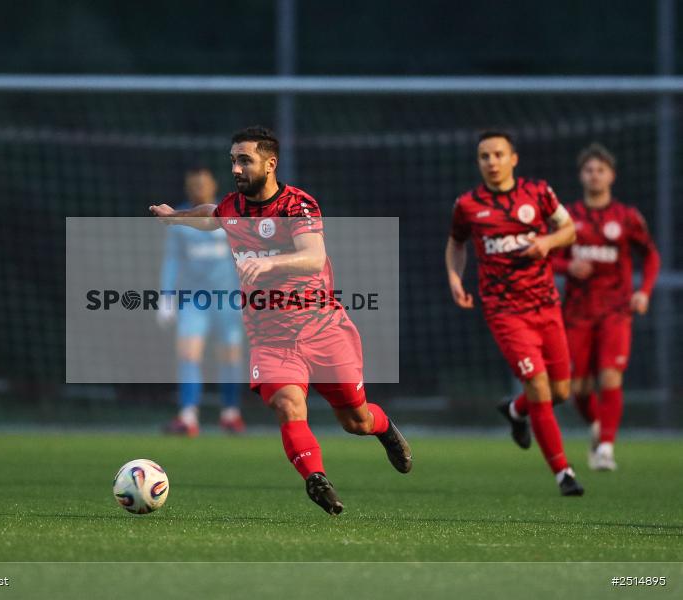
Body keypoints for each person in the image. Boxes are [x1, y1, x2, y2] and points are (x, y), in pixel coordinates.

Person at [150, 126, 411, 515]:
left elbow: (313, 256)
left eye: (245, 160)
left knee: (356, 420)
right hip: (270, 338)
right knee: (289, 404)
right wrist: (176, 217)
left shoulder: (298, 206)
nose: (236, 168)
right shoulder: (233, 207)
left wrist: (268, 261)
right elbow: (213, 216)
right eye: (233, 160)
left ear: (270, 164)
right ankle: (315, 478)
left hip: (322, 329)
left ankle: (385, 429)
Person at [446, 130, 584, 496]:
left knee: (561, 391)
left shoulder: (539, 192)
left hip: (546, 304)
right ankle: (563, 473)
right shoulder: (468, 205)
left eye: (497, 154)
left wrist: (547, 242)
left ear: (513, 159)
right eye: (484, 156)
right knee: (538, 384)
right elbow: (457, 242)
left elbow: (568, 229)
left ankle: (515, 411)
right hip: (505, 310)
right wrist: (454, 278)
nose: (491, 162)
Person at [551, 144, 660, 471]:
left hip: (616, 309)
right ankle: (598, 427)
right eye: (589, 170)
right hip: (577, 312)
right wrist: (566, 267)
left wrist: (644, 292)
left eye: (600, 170)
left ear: (611, 175)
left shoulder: (626, 217)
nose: (594, 175)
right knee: (576, 390)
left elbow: (651, 255)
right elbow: (545, 254)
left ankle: (606, 450)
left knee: (611, 376)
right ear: (581, 175)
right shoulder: (567, 217)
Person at [159, 167, 246, 437]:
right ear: (188, 188)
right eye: (193, 184)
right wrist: (166, 295)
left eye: (203, 183)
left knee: (230, 355)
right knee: (187, 353)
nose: (199, 188)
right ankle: (188, 416)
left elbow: (243, 255)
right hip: (194, 299)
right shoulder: (180, 219)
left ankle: (230, 413)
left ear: (213, 185)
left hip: (228, 300)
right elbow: (172, 259)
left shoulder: (227, 215)